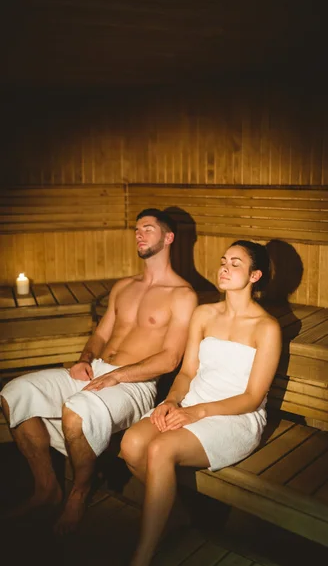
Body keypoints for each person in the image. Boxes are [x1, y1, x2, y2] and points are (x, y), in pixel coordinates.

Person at [0, 208, 198, 535]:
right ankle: (46, 488)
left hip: (135, 384)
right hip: (97, 370)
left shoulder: (183, 295)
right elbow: (102, 333)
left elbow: (170, 358)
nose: (139, 234)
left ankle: (79, 492)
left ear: (168, 237)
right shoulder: (124, 286)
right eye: (137, 229)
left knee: (76, 413)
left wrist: (118, 376)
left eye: (148, 229)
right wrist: (85, 358)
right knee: (14, 393)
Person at [120, 239, 282, 566]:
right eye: (224, 261)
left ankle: (143, 555)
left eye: (235, 263)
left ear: (255, 276)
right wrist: (171, 401)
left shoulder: (266, 328)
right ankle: (175, 514)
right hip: (193, 401)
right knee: (132, 443)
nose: (224, 267)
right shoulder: (204, 314)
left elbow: (252, 397)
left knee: (160, 449)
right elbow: (188, 371)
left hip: (235, 415)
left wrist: (198, 412)